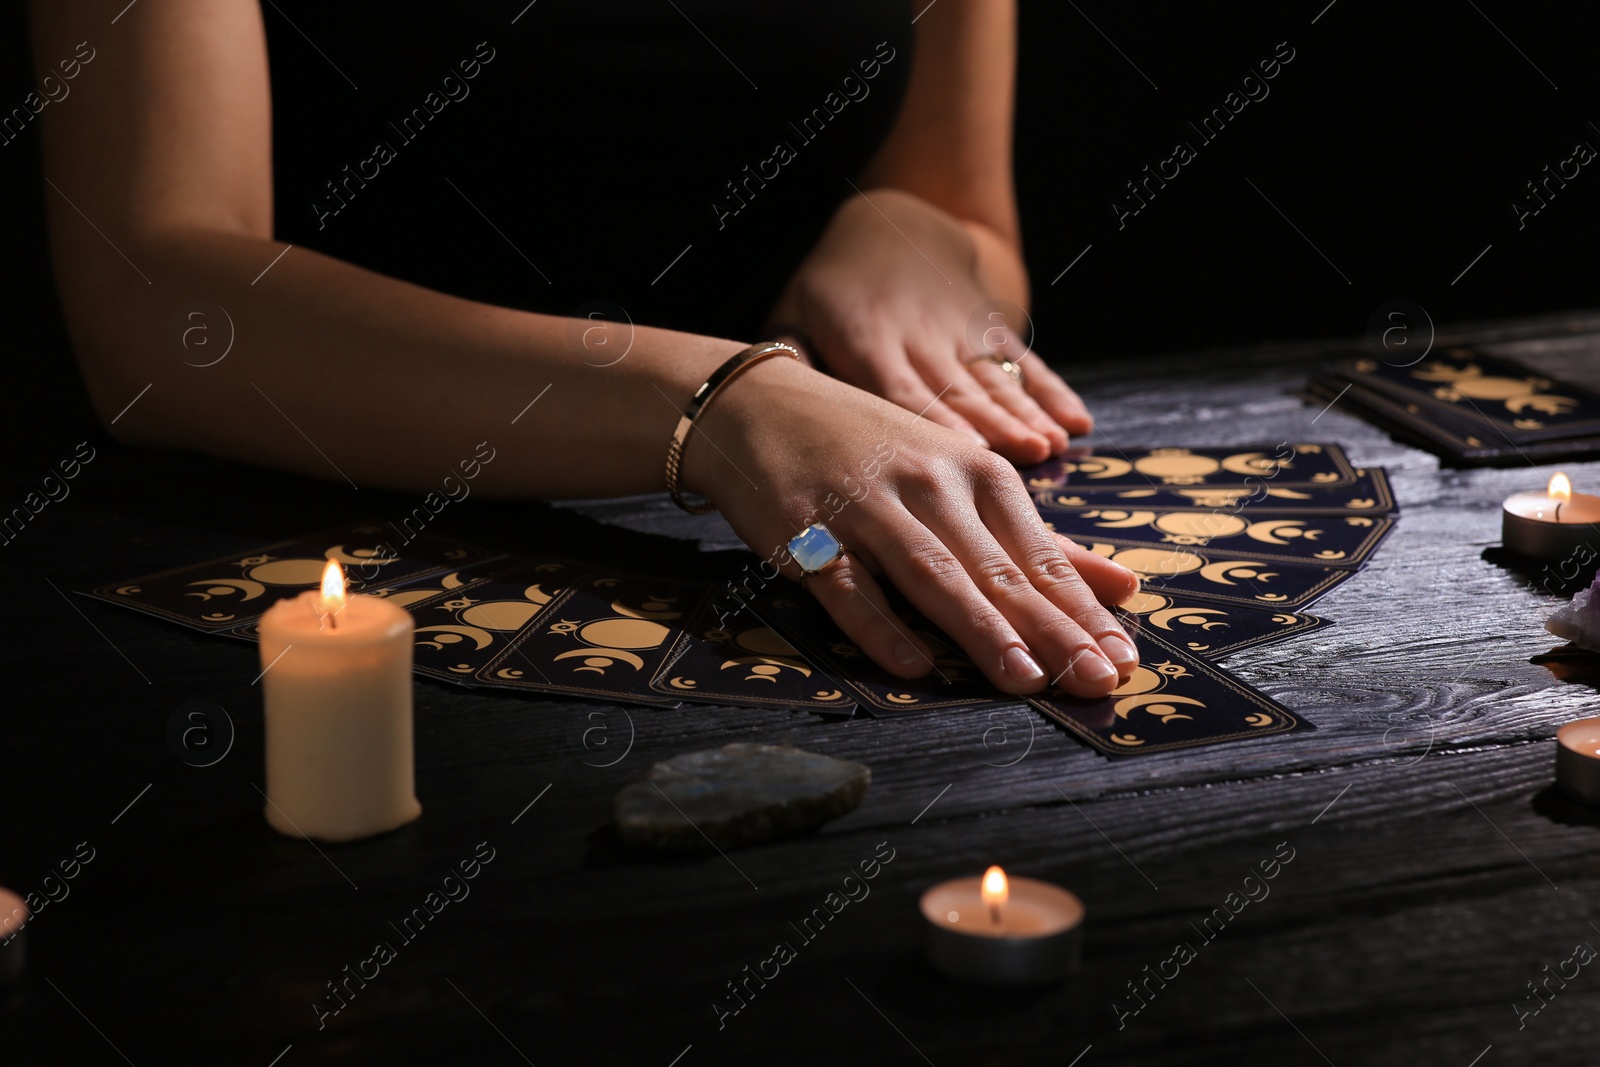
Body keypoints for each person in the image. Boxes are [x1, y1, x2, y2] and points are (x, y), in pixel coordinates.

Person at [29, 0, 1140, 698]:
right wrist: (716, 404)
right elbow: (155, 305)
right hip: (286, 570)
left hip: (796, 540)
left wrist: (912, 237)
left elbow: (965, 215)